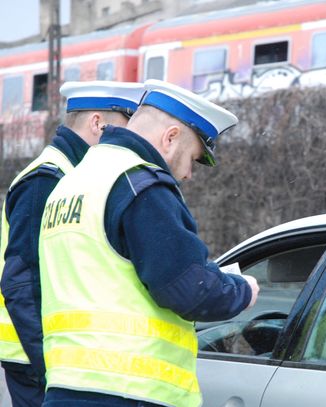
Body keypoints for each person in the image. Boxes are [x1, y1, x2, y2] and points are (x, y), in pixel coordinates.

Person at [39, 79, 260, 407]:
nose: (187, 174)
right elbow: (187, 289)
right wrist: (242, 291)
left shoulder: (70, 184)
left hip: (65, 387)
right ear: (170, 138)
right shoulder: (140, 185)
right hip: (130, 390)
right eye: (192, 158)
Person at [0, 80, 145, 407]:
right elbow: (23, 283)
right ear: (97, 123)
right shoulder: (46, 179)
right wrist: (50, 366)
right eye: (125, 126)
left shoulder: (76, 174)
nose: (130, 139)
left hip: (58, 358)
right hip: (37, 360)